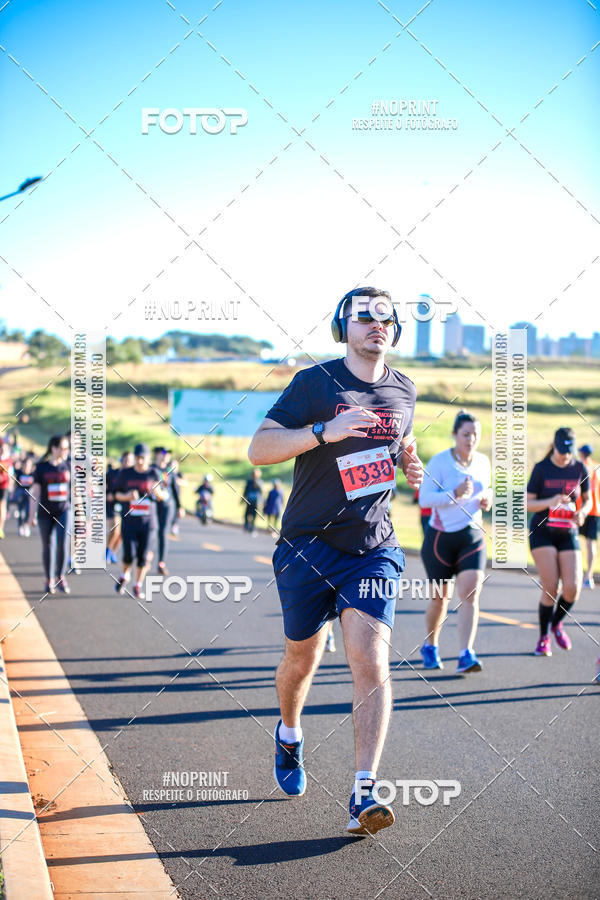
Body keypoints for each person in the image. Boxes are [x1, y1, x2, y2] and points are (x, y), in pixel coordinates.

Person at [248, 286, 423, 835]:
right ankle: (290, 732)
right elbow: (260, 449)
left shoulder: (404, 389)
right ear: (342, 326)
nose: (377, 324)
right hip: (306, 545)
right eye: (364, 316)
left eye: (386, 318)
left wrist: (409, 464)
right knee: (302, 658)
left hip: (372, 548)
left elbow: (398, 445)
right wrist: (325, 431)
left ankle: (362, 793)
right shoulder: (314, 383)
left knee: (369, 658)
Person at [418, 411, 492, 673]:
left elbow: (488, 489)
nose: (471, 439)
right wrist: (454, 494)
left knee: (471, 593)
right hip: (440, 539)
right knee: (440, 599)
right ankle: (430, 645)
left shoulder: (483, 462)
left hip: (471, 535)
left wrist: (487, 500)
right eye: (465, 434)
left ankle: (465, 653)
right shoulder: (439, 463)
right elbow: (425, 499)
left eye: (475, 434)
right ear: (454, 435)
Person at [527, 427, 591, 656]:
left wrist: (582, 512)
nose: (566, 455)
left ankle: (556, 623)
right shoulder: (541, 469)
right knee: (551, 587)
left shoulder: (579, 467)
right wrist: (551, 500)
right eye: (562, 450)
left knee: (572, 589)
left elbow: (588, 500)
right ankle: (544, 637)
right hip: (542, 532)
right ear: (554, 446)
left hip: (568, 532)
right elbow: (528, 503)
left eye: (569, 451)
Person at [114, 443, 168, 598]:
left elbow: (164, 496)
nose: (139, 462)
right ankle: (124, 575)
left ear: (148, 458)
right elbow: (115, 494)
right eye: (137, 458)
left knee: (143, 557)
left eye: (142, 458)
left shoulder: (154, 474)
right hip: (130, 522)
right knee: (129, 555)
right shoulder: (125, 474)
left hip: (148, 524)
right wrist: (127, 496)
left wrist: (158, 493)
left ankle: (138, 585)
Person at [29, 435, 71, 594]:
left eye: (67, 448)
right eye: (63, 448)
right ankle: (49, 579)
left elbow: (76, 491)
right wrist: (31, 516)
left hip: (64, 510)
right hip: (45, 512)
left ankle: (61, 576)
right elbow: (36, 493)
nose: (66, 451)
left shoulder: (69, 465)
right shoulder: (41, 468)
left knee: (62, 541)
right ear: (54, 448)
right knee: (48, 545)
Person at [578, 444, 599, 588]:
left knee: (571, 541)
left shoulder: (578, 467)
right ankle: (588, 577)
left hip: (581, 509)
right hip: (596, 510)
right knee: (591, 543)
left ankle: (570, 574)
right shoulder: (598, 467)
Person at [106, 451, 133, 563]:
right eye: (125, 460)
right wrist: (107, 494)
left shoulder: (132, 474)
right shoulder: (113, 473)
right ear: (121, 460)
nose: (127, 463)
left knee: (123, 533)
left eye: (130, 461)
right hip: (112, 505)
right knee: (115, 530)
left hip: (126, 506)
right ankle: (107, 551)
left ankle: (113, 551)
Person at [153, 447, 176, 575]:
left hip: (168, 505)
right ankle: (147, 556)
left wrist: (180, 507)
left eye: (167, 454)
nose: (165, 456)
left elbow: (175, 488)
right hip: (154, 505)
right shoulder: (151, 469)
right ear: (156, 455)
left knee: (163, 532)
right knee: (152, 531)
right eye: (163, 453)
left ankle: (161, 562)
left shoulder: (169, 470)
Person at [14, 454, 35, 537]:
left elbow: (35, 486)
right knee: (20, 512)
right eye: (25, 464)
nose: (27, 466)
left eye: (29, 464)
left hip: (29, 495)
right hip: (20, 494)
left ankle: (26, 525)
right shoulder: (19, 473)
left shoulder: (33, 474)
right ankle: (20, 527)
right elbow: (16, 484)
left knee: (27, 511)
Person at [0, 438, 14, 539]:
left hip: (3, 486)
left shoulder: (8, 460)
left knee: (2, 506)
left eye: (4, 448)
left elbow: (11, 475)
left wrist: (11, 485)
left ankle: (1, 528)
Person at [242, 468, 264, 534]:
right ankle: (249, 526)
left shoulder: (254, 482)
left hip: (252, 501)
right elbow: (261, 493)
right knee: (250, 514)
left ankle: (249, 527)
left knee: (248, 514)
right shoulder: (255, 481)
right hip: (253, 501)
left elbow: (246, 491)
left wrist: (242, 499)